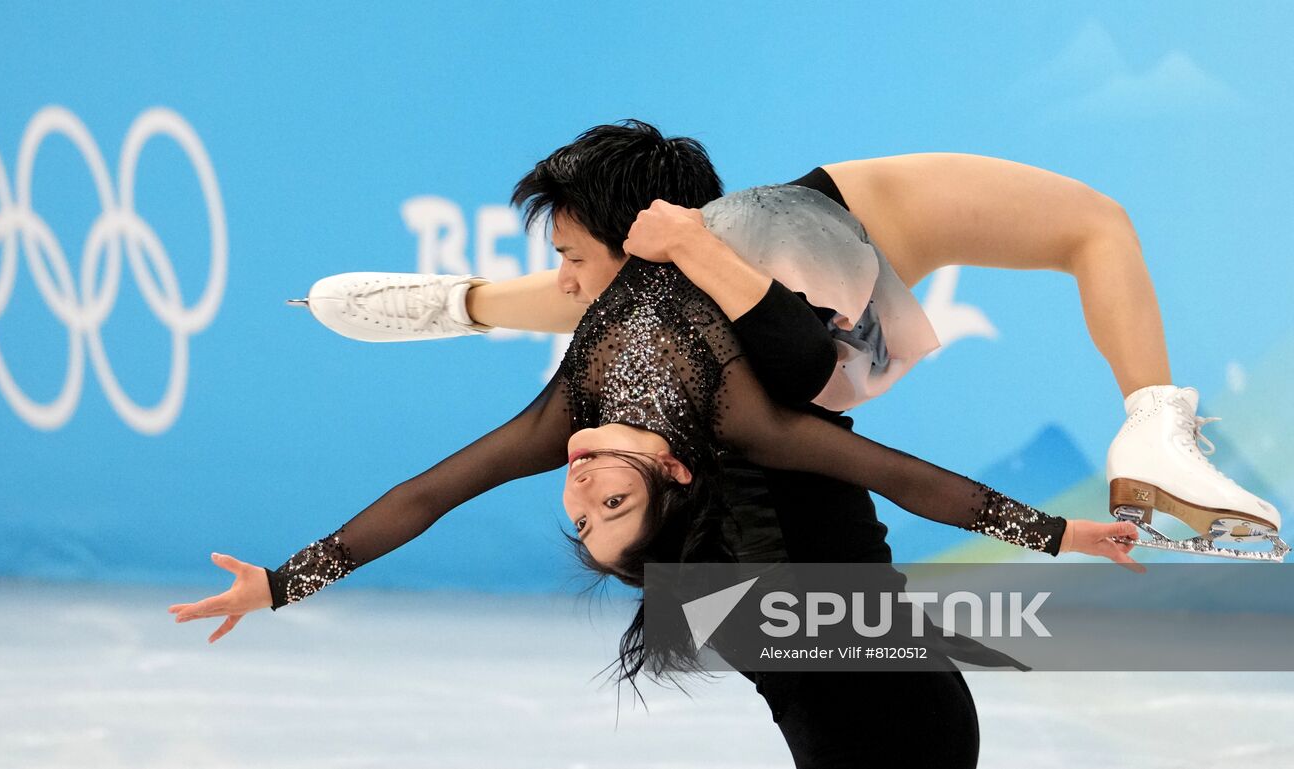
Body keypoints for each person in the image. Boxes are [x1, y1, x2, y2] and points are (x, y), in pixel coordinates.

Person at [169, 187, 1143, 769]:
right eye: (613, 504)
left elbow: (426, 496)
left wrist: (281, 582)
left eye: (582, 514)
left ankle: (462, 302)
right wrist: (1060, 534)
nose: (580, 485)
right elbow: (901, 476)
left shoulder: (567, 417)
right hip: (898, 723)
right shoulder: (742, 420)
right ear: (672, 468)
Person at [303, 121, 1283, 560]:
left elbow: (852, 418)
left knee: (642, 292)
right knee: (1097, 226)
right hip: (822, 249)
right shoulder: (700, 280)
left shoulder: (697, 292)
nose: (561, 276)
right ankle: (1152, 422)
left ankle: (454, 302)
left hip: (820, 258)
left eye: (565, 253)